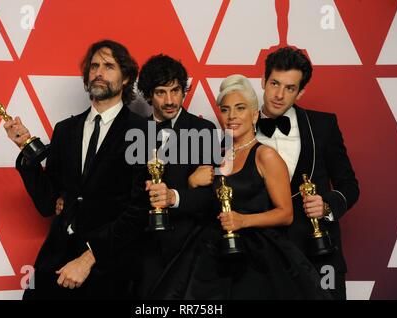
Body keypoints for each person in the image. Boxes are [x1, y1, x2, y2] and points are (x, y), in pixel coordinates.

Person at [149, 74, 331, 299]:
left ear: (255, 115)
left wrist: (244, 220)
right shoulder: (219, 154)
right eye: (225, 110)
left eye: (240, 108)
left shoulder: (266, 155)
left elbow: (286, 214)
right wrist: (191, 182)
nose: (232, 116)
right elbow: (208, 203)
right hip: (212, 253)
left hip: (257, 258)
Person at [3, 39, 148, 299]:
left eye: (108, 66)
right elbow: (48, 203)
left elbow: (139, 211)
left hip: (108, 266)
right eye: (94, 66)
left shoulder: (142, 132)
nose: (99, 73)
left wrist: (89, 258)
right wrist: (26, 149)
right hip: (56, 259)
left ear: (126, 77)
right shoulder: (64, 130)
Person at [256, 46, 359, 299]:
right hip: (263, 258)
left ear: (301, 91)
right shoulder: (239, 128)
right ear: (263, 81)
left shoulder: (323, 125)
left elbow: (349, 185)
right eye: (274, 83)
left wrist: (326, 205)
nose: (279, 95)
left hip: (318, 253)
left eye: (290, 88)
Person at [136, 54, 217, 298]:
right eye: (161, 92)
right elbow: (127, 195)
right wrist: (190, 182)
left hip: (192, 247)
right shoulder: (133, 132)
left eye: (176, 90)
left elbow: (215, 197)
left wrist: (176, 196)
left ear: (184, 90)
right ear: (148, 95)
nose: (170, 100)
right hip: (144, 251)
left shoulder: (205, 131)